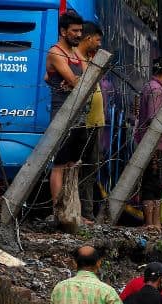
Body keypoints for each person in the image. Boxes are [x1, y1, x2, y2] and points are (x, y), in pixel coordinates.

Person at [45, 10, 84, 215]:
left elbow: (87, 75)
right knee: (60, 164)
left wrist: (74, 82)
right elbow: (77, 81)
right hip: (63, 114)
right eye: (74, 31)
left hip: (79, 115)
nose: (79, 35)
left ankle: (72, 210)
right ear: (63, 31)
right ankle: (59, 211)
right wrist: (70, 83)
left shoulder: (74, 52)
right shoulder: (56, 52)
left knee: (72, 164)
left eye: (80, 31)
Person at [135, 57, 162, 230]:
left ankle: (155, 223)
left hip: (155, 144)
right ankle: (151, 223)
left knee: (157, 185)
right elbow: (155, 118)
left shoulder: (151, 87)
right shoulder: (156, 90)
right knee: (152, 184)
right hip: (156, 145)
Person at [73, 22, 105, 222]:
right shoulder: (75, 59)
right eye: (98, 40)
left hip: (94, 123)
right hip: (83, 123)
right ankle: (82, 213)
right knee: (80, 169)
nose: (99, 44)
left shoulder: (89, 59)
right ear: (89, 38)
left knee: (91, 170)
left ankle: (87, 212)